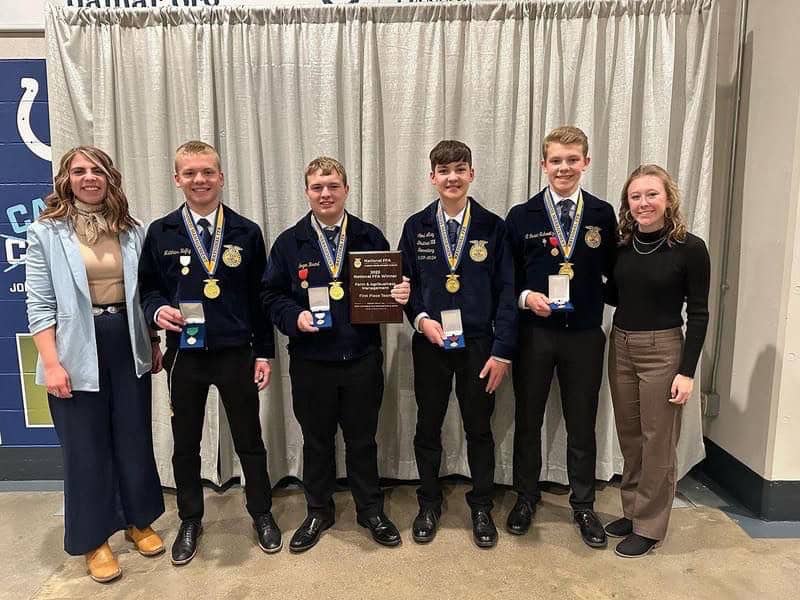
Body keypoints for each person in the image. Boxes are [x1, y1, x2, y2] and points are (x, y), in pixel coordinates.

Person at [25, 146, 165, 583]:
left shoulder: (130, 230)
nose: (90, 178)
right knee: (85, 447)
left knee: (133, 434)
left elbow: (145, 291)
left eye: (98, 171)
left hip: (126, 338)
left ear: (110, 178)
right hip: (74, 346)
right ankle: (94, 539)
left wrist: (153, 341)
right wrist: (51, 363)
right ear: (66, 179)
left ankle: (138, 521)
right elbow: (39, 304)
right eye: (80, 171)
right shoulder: (45, 233)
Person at [138, 141, 279, 564]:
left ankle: (262, 512)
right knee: (186, 443)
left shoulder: (245, 231)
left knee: (250, 439)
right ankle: (190, 519)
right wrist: (157, 310)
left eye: (207, 172)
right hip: (186, 355)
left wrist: (265, 354)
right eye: (191, 173)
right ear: (177, 178)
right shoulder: (161, 232)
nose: (200, 180)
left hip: (236, 351)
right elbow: (148, 288)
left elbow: (260, 299)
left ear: (221, 176)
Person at [262, 156, 409, 552]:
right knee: (317, 440)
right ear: (307, 192)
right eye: (317, 187)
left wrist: (399, 294)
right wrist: (295, 318)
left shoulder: (369, 236)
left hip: (361, 358)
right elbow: (270, 295)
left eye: (332, 186)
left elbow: (388, 284)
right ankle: (318, 510)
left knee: (363, 440)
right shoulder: (290, 243)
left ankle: (370, 509)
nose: (325, 194)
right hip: (311, 363)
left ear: (346, 189)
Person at [398, 140, 516, 549]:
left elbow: (506, 292)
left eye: (459, 169)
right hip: (430, 343)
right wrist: (420, 319)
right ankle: (429, 502)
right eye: (443, 170)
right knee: (427, 425)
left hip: (480, 346)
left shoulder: (493, 227)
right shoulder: (416, 227)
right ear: (432, 177)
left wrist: (502, 351)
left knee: (479, 427)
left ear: (471, 173)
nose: (452, 177)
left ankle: (481, 504)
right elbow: (405, 286)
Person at [504, 125, 616, 548]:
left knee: (581, 422)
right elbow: (507, 280)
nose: (564, 167)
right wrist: (528, 297)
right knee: (528, 420)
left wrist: (593, 297)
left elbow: (613, 273)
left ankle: (583, 505)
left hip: (585, 334)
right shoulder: (522, 216)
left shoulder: (602, 215)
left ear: (586, 162)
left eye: (572, 159)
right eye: (556, 160)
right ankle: (525, 498)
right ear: (543, 164)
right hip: (535, 334)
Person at [603, 164, 710, 558]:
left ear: (669, 199)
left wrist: (686, 371)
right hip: (621, 344)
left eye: (652, 194)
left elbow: (699, 313)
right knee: (630, 437)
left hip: (663, 349)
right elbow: (614, 295)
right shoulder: (622, 245)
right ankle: (632, 512)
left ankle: (650, 526)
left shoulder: (690, 248)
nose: (643, 203)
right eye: (636, 196)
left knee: (658, 440)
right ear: (627, 203)